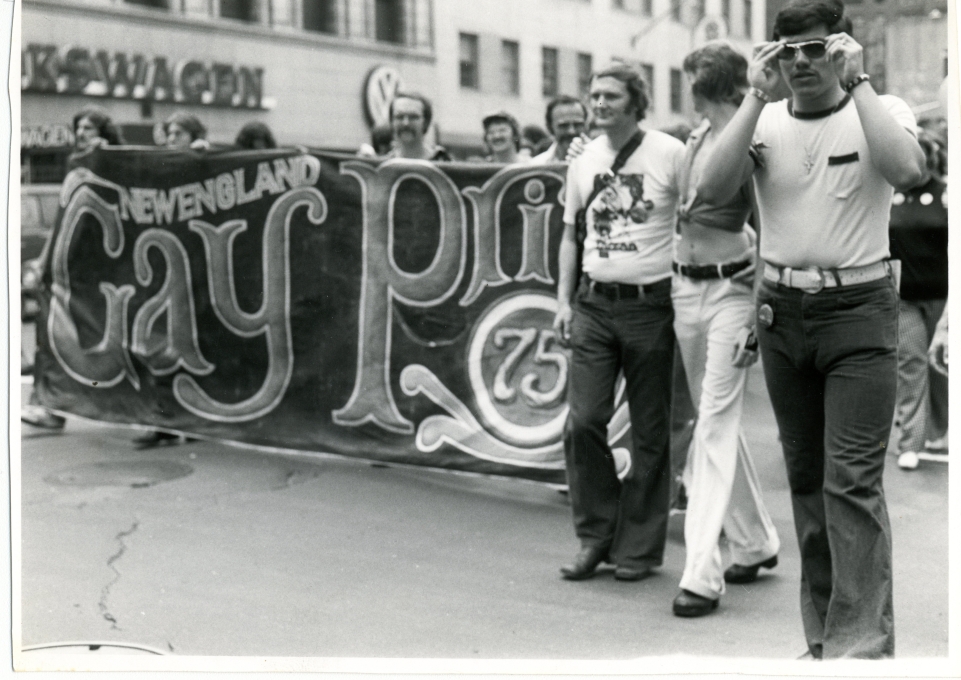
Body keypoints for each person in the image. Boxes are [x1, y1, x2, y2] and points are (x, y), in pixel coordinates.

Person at [695, 0, 924, 658]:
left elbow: (909, 172)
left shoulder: (873, 108)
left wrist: (860, 82)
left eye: (813, 48)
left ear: (839, 48)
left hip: (858, 309)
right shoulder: (762, 119)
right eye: (786, 50)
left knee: (848, 483)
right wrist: (749, 99)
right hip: (781, 312)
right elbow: (712, 194)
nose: (799, 62)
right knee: (805, 482)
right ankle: (824, 639)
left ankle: (861, 649)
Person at [553, 62, 684, 583]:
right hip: (593, 304)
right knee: (583, 421)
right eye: (594, 95)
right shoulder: (583, 160)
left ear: (636, 102)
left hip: (652, 306)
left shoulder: (669, 154)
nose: (599, 104)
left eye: (610, 95)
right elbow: (570, 235)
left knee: (651, 432)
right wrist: (563, 301)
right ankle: (595, 535)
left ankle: (639, 547)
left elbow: (698, 213)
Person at [670, 41, 780, 618]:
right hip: (686, 288)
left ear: (701, 81)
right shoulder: (693, 138)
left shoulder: (752, 135)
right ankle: (756, 541)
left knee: (711, 425)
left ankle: (701, 574)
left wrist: (759, 310)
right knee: (716, 421)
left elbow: (770, 226)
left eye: (689, 76)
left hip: (731, 292)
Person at [22, 108, 126, 431]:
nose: (82, 132)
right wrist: (42, 261)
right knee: (54, 335)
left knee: (110, 342)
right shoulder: (74, 167)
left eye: (90, 127)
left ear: (104, 133)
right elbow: (62, 222)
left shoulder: (115, 165)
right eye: (78, 126)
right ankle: (50, 408)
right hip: (70, 269)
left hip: (105, 271)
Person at [889, 130, 948, 470]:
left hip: (941, 298)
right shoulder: (894, 195)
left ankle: (941, 431)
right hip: (905, 297)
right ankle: (911, 441)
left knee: (939, 365)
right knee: (911, 365)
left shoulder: (945, 194)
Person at [387, 92, 451, 161]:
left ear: (426, 122)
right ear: (391, 121)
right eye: (399, 117)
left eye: (413, 117)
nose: (406, 123)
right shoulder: (383, 165)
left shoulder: (443, 162)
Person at [531, 95, 589, 164]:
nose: (572, 131)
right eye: (564, 126)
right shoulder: (538, 165)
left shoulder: (598, 161)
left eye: (577, 125)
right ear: (550, 128)